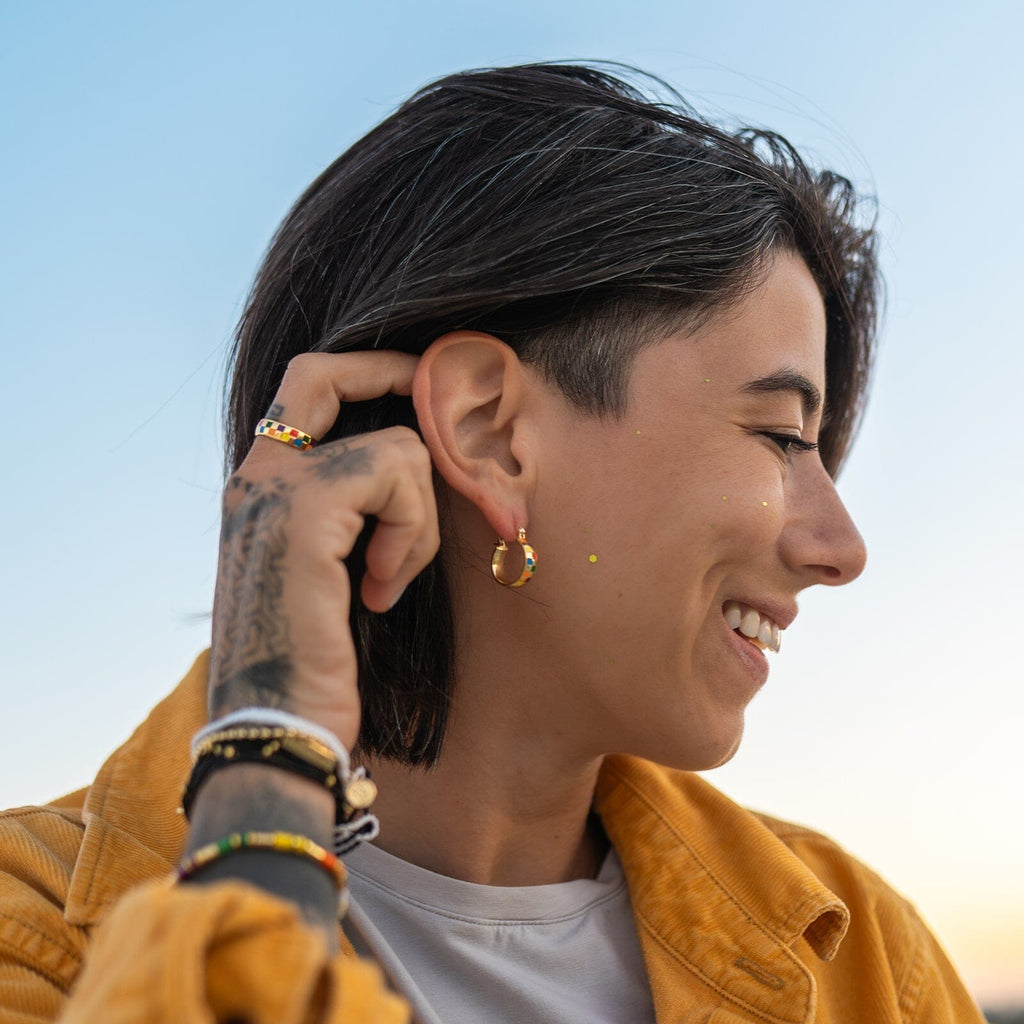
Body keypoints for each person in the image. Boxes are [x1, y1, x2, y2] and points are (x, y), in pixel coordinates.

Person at [0, 63, 985, 1023]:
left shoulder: (866, 966)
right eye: (780, 435)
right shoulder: (26, 933)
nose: (839, 546)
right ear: (489, 431)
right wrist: (269, 757)